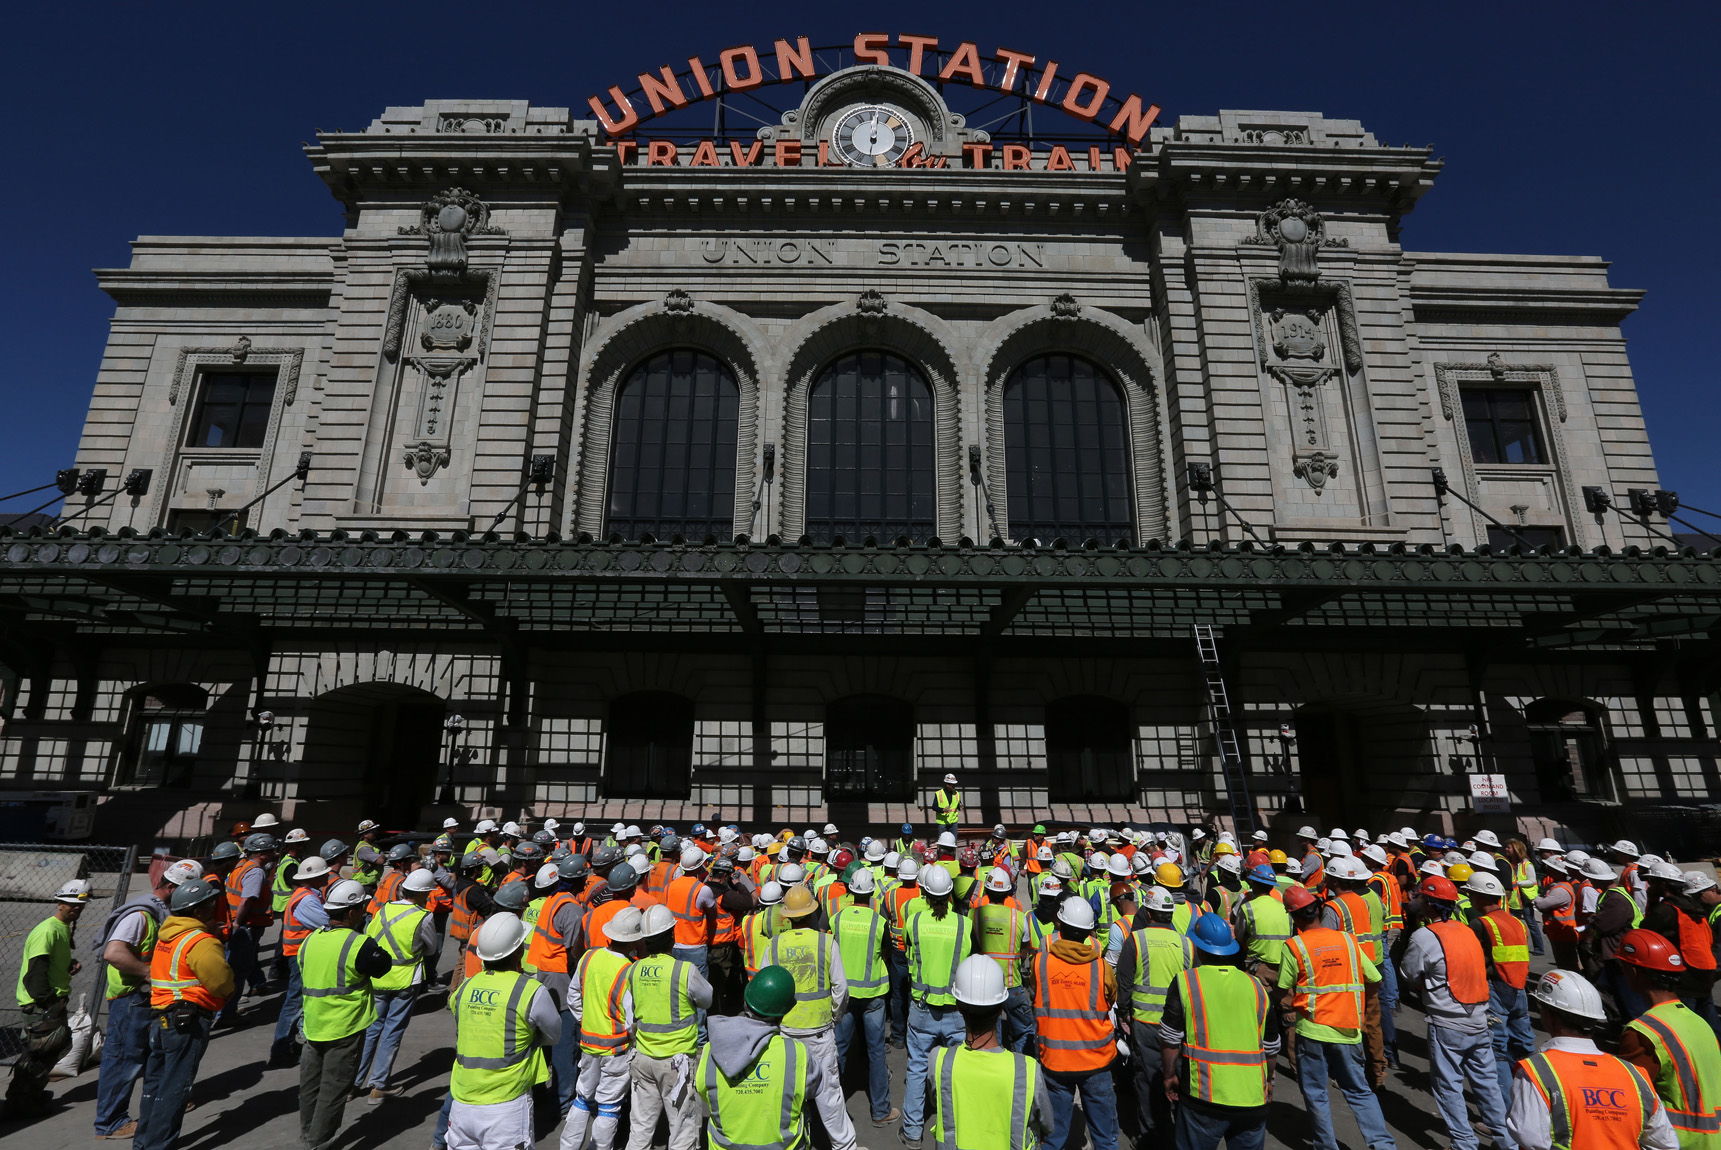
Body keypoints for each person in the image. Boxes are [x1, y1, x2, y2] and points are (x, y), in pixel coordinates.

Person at [1401, 875, 1514, 1150]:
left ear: (1429, 904)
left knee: (1448, 1085)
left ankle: (1464, 1143)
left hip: (1448, 1021)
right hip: (1480, 1017)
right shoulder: (1466, 930)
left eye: (1421, 897)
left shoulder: (1424, 936)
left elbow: (1409, 973)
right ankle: (1507, 1141)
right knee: (1487, 1084)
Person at [1279, 883, 1395, 1150]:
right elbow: (1375, 979)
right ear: (1318, 910)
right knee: (1359, 1091)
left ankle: (1326, 1146)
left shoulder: (1294, 946)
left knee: (1316, 1093)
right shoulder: (1347, 940)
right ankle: (1383, 1145)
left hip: (1311, 1030)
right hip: (1348, 1029)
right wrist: (1357, 1007)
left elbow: (1284, 989)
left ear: (1294, 917)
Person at [1509, 968, 1678, 1150]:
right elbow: (1666, 1143)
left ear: (1549, 1017)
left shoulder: (1536, 1071)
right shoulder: (1635, 1074)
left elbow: (1529, 1137)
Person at [1160, 915, 1280, 1150]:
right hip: (1252, 1097)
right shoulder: (1256, 986)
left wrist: (1168, 1075)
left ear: (1198, 948)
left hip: (1204, 1097)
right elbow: (1271, 1047)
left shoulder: (1187, 982)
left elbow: (1170, 1039)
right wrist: (1269, 1080)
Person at [134, 878, 235, 1150]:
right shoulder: (201, 942)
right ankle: (159, 1145)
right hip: (186, 1021)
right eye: (209, 904)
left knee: (154, 1085)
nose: (213, 907)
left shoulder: (167, 936)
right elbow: (221, 982)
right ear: (198, 910)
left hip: (161, 1017)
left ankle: (144, 1143)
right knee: (175, 1088)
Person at [447, 913, 561, 1150]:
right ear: (518, 951)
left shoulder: (465, 988)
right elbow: (553, 1035)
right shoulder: (530, 990)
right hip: (507, 1104)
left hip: (462, 1102)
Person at [695, 965, 842, 1150]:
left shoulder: (712, 1050)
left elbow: (703, 1091)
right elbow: (813, 1089)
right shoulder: (796, 1054)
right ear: (785, 1011)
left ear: (746, 1001)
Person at [763, 884, 858, 1149]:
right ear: (812, 913)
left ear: (788, 917)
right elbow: (841, 988)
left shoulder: (774, 945)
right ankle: (845, 1145)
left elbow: (765, 989)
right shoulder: (826, 942)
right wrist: (835, 1016)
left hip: (786, 1033)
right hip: (819, 1032)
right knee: (829, 1095)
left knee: (789, 1093)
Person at [297, 879, 389, 1150]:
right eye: (361, 908)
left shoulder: (310, 939)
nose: (364, 912)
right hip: (345, 1027)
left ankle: (307, 1134)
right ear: (351, 912)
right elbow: (382, 966)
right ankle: (318, 1142)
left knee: (310, 1086)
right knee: (334, 1089)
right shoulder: (358, 944)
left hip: (313, 1023)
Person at [927, 954, 1051, 1150]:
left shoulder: (939, 1061)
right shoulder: (1027, 1070)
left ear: (958, 1006)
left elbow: (937, 1101)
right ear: (1002, 1007)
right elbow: (1046, 1124)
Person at [1614, 929, 1721, 1149]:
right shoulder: (1699, 1022)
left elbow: (1627, 1100)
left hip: (1679, 1141)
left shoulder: (1643, 1031)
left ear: (1633, 972)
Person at [1032, 895, 1120, 1150]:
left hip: (1055, 1060)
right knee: (1105, 1137)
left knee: (1053, 1137)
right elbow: (1111, 999)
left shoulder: (1041, 962)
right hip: (1096, 1061)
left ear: (1059, 926)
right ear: (1089, 932)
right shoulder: (1102, 968)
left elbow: (1035, 992)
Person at [625, 903, 711, 1150]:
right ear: (672, 936)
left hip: (643, 1059)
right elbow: (706, 999)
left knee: (640, 1128)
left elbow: (629, 1011)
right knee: (682, 1130)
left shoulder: (634, 969)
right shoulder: (684, 971)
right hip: (677, 1061)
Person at [901, 865, 974, 1149]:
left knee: (917, 1068)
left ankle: (912, 1133)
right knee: (958, 1072)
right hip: (956, 1010)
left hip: (922, 1008)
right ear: (950, 894)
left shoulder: (914, 921)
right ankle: (958, 1131)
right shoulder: (964, 925)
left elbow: (907, 951)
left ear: (925, 893)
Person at [561, 904, 645, 1150]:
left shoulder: (588, 957)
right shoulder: (629, 970)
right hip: (617, 1049)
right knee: (609, 1106)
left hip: (588, 1042)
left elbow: (573, 996)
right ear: (634, 940)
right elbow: (632, 1019)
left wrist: (586, 1020)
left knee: (583, 1097)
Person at [6, 878, 90, 1120]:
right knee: (38, 1055)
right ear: (59, 903)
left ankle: (28, 1096)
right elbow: (35, 975)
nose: (76, 908)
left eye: (80, 905)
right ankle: (20, 1103)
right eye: (71, 903)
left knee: (48, 1052)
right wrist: (49, 1002)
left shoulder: (61, 928)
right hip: (42, 1005)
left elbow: (51, 962)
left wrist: (68, 965)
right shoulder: (47, 931)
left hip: (50, 1002)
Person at [1117, 886, 1194, 1141]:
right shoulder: (1187, 944)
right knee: (1180, 1079)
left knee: (1148, 1081)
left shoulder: (1136, 940)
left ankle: (1151, 1137)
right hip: (1180, 1026)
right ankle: (1180, 1135)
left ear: (1148, 913)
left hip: (1146, 1024)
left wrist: (1124, 1013)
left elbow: (1124, 983)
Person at [356, 867, 439, 1102]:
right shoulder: (424, 916)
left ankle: (353, 1083)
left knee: (371, 1029)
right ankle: (378, 1085)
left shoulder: (384, 909)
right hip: (405, 980)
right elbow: (431, 949)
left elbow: (369, 935)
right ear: (423, 893)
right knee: (392, 1031)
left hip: (377, 977)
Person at [832, 866, 898, 1127]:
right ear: (872, 894)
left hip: (845, 995)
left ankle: (832, 1111)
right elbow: (887, 954)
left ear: (850, 891)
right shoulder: (879, 923)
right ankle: (881, 1111)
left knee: (839, 1050)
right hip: (873, 995)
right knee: (876, 1052)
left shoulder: (837, 919)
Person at [270, 853, 333, 1066]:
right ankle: (281, 1050)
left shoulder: (306, 895)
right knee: (295, 1001)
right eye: (324, 874)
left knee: (297, 1000)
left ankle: (286, 1044)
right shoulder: (307, 899)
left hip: (297, 953)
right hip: (300, 955)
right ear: (315, 877)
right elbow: (326, 924)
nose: (327, 877)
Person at [972, 864, 1036, 1053]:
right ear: (1008, 892)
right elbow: (1025, 948)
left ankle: (995, 1062)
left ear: (987, 890)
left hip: (986, 984)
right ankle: (1021, 1063)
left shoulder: (976, 914)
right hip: (1012, 982)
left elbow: (971, 946)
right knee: (1024, 1029)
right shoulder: (1019, 917)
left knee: (991, 1033)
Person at [219, 831, 277, 1025]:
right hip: (246, 926)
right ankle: (226, 1014)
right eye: (270, 851)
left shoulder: (241, 866)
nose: (273, 854)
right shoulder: (255, 872)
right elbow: (247, 900)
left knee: (232, 968)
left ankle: (224, 1011)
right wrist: (238, 923)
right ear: (261, 853)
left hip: (238, 924)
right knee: (238, 972)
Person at [351, 819, 384, 893]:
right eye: (372, 831)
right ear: (365, 834)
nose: (375, 833)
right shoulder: (364, 848)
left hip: (368, 884)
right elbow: (381, 860)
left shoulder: (372, 846)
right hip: (363, 885)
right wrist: (382, 854)